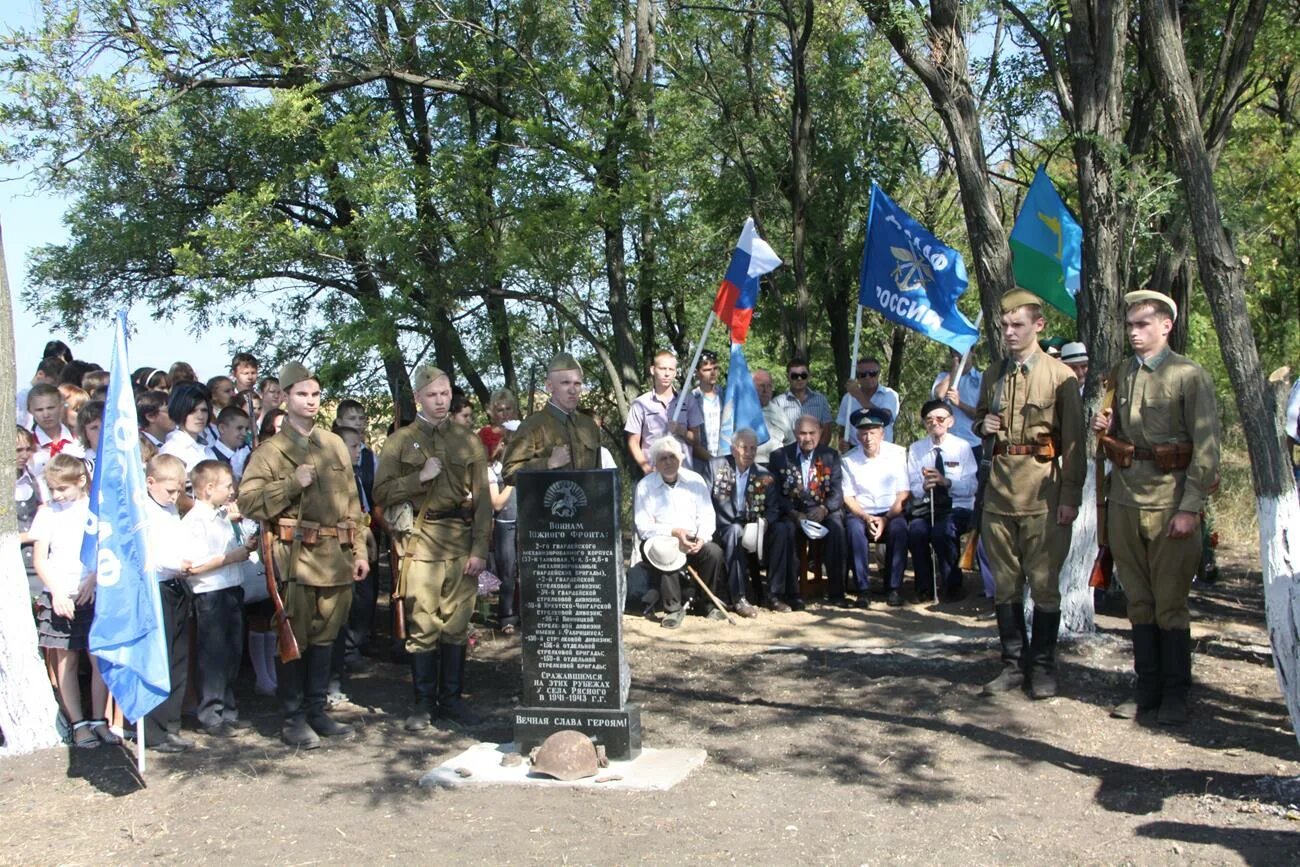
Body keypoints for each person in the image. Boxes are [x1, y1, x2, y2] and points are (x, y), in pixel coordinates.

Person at [1092, 289, 1220, 725]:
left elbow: (1205, 451)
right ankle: (1146, 688)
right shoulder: (1123, 373)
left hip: (1170, 502)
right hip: (1127, 498)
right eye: (1129, 324)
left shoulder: (1189, 376)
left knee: (1169, 602)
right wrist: (1103, 427)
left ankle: (1176, 694)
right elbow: (1116, 434)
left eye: (1143, 323)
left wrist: (1190, 508)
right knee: (1138, 601)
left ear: (1166, 325)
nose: (1134, 331)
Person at [238, 361, 369, 749]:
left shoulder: (332, 445)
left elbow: (351, 503)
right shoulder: (271, 451)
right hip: (295, 557)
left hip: (336, 556)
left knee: (327, 636)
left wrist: (359, 549)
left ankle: (316, 709)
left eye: (314, 395)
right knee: (296, 636)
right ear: (286, 397)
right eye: (301, 395)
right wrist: (290, 485)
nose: (310, 402)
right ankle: (293, 716)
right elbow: (249, 502)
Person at [974, 289, 1084, 700]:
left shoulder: (1060, 377)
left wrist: (1070, 496)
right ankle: (1011, 665)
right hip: (999, 492)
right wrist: (981, 425)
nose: (1009, 332)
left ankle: (1042, 668)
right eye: (1004, 326)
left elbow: (1074, 443)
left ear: (1039, 326)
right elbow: (983, 421)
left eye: (1017, 325)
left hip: (1043, 492)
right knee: (1004, 584)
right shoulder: (993, 374)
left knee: (1043, 586)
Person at [373, 365, 492, 731]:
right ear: (419, 399)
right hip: (419, 543)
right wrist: (417, 478)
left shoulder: (468, 440)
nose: (440, 401)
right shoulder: (399, 441)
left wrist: (480, 550)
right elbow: (379, 494)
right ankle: (424, 704)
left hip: (459, 538)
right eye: (432, 395)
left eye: (444, 394)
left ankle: (452, 700)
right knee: (423, 622)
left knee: (457, 623)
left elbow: (484, 500)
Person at [30, 454, 117, 748]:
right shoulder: (47, 513)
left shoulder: (95, 511)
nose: (57, 495)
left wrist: (93, 580)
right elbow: (41, 559)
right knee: (66, 662)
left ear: (81, 482)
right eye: (53, 489)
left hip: (92, 593)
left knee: (99, 661)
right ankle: (78, 724)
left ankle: (99, 720)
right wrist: (55, 592)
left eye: (63, 489)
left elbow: (105, 549)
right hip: (61, 595)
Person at [180, 460, 258, 737]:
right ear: (208, 488)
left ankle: (228, 708)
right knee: (213, 655)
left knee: (232, 651)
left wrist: (245, 546)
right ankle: (211, 714)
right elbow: (192, 566)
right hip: (210, 593)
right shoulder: (196, 520)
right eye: (227, 486)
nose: (231, 491)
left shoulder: (223, 516)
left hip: (232, 589)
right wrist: (230, 558)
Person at [633, 437, 726, 628]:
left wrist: (701, 538)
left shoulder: (696, 481)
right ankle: (673, 609)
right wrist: (673, 533)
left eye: (672, 457)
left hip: (692, 540)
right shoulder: (645, 486)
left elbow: (707, 516)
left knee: (714, 552)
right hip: (660, 541)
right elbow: (643, 527)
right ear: (655, 463)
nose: (668, 462)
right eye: (663, 458)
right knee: (666, 552)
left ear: (680, 459)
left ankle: (706, 604)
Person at [140, 454, 195, 753]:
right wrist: (178, 563)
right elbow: (150, 554)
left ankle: (171, 725)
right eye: (170, 491)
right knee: (159, 660)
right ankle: (154, 730)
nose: (175, 497)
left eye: (179, 491)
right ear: (151, 482)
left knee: (178, 660)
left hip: (176, 586)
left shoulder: (170, 510)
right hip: (156, 587)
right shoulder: (144, 512)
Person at [766, 415, 848, 610]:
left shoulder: (830, 456)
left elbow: (837, 492)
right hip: (793, 512)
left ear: (820, 433)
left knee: (837, 528)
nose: (808, 438)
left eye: (812, 433)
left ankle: (837, 591)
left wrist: (825, 508)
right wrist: (794, 513)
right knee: (785, 530)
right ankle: (790, 593)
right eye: (803, 433)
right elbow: (775, 493)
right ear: (795, 433)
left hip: (823, 511)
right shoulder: (779, 457)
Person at [906, 400, 978, 602]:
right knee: (917, 532)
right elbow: (912, 486)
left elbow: (973, 487)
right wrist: (923, 487)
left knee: (942, 531)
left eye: (940, 419)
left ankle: (952, 584)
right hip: (926, 507)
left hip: (957, 507)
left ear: (950, 422)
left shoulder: (962, 447)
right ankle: (924, 587)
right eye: (929, 420)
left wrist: (946, 482)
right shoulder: (916, 449)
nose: (934, 423)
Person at [840, 408, 910, 606]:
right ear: (857, 435)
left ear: (882, 433)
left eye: (872, 432)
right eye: (863, 432)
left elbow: (903, 493)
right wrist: (866, 517)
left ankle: (894, 588)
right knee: (853, 529)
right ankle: (863, 589)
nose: (868, 437)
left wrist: (886, 519)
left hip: (891, 512)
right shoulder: (848, 460)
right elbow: (848, 496)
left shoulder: (897, 454)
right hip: (861, 512)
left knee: (900, 529)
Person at [500, 352, 603, 483]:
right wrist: (547, 463)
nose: (573, 390)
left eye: (577, 384)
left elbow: (598, 475)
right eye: (565, 383)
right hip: (548, 503)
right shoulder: (532, 426)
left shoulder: (589, 425)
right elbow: (509, 472)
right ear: (549, 386)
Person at [708, 428, 769, 617]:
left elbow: (772, 508)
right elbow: (704, 501)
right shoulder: (716, 466)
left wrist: (763, 523)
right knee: (734, 531)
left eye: (753, 448)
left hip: (752, 527)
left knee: (783, 531)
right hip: (720, 527)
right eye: (744, 448)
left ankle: (776, 595)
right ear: (734, 449)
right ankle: (739, 598)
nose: (749, 453)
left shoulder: (763, 474)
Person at [625, 349, 705, 475]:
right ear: (653, 370)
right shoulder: (640, 404)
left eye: (671, 369)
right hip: (654, 474)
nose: (667, 374)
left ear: (675, 372)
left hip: (684, 474)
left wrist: (681, 431)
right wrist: (646, 468)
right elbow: (633, 442)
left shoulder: (688, 400)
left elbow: (696, 440)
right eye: (662, 369)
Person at [488, 420, 520, 633]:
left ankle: (526, 613)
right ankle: (507, 616)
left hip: (525, 523)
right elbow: (496, 503)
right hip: (505, 524)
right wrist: (511, 481)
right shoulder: (494, 469)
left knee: (525, 570)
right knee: (507, 572)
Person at [27, 382, 83, 501]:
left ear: (61, 405)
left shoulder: (78, 442)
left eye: (51, 408)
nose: (46, 414)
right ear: (30, 411)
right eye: (39, 410)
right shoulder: (27, 446)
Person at [932, 348, 984, 463]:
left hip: (973, 446)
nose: (959, 355)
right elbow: (939, 395)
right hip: (946, 446)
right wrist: (954, 371)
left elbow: (982, 415)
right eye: (955, 352)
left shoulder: (982, 380)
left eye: (962, 350)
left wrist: (960, 404)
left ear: (972, 352)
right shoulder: (943, 377)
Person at [838, 357, 901, 445]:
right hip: (855, 451)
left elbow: (884, 418)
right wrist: (842, 441)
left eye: (872, 374)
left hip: (882, 450)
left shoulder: (889, 394)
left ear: (879, 374)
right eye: (863, 374)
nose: (867, 377)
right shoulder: (848, 398)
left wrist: (858, 395)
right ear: (858, 377)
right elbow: (843, 427)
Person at [772, 359, 833, 446]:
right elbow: (775, 434)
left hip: (816, 455)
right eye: (794, 376)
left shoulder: (821, 400)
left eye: (803, 375)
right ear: (787, 377)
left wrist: (817, 454)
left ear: (808, 376)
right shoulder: (778, 402)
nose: (799, 378)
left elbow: (827, 432)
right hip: (788, 456)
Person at [160, 382, 216, 475]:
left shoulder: (206, 448)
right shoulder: (171, 451)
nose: (200, 416)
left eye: (204, 410)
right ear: (179, 411)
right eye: (192, 411)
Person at [16, 427, 42, 598]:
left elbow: (43, 511)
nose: (24, 455)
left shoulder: (33, 480)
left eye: (28, 449)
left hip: (34, 558)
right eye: (18, 450)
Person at [752, 367, 793, 468]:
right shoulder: (739, 411)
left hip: (776, 466)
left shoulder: (778, 412)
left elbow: (791, 442)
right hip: (750, 465)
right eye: (761, 386)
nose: (766, 390)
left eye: (769, 386)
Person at [691, 349, 724, 471]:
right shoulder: (691, 399)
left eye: (715, 368)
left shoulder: (725, 396)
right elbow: (692, 440)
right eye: (706, 370)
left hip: (726, 459)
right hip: (701, 464)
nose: (712, 373)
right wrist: (712, 460)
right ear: (698, 373)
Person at [212, 405, 252, 480]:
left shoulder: (248, 450)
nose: (244, 433)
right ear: (222, 428)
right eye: (239, 428)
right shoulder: (211, 457)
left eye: (246, 429)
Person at [477, 388, 518, 460]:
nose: (505, 413)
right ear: (493, 412)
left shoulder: (522, 429)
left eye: (508, 408)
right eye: (500, 410)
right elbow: (482, 464)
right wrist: (497, 452)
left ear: (513, 409)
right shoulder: (485, 432)